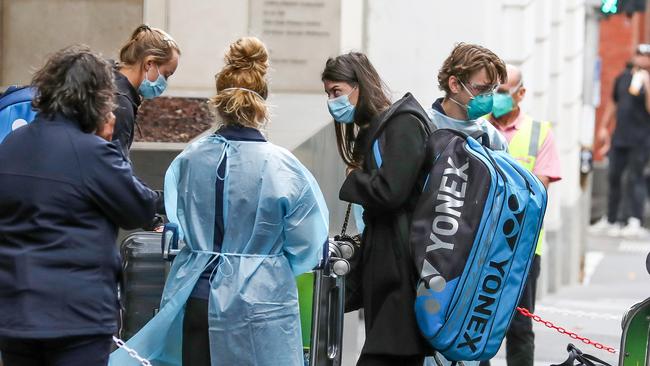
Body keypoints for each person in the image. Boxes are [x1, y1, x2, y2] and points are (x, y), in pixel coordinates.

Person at [109, 37, 329, 366]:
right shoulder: (283, 167)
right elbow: (308, 244)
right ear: (263, 104)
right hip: (259, 304)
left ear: (219, 102)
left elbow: (176, 222)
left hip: (195, 295)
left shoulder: (189, 159)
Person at [0, 45, 160, 366]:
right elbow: (139, 209)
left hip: (14, 312)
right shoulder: (93, 152)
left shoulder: (11, 145)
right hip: (76, 316)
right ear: (96, 99)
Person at [322, 52, 434, 366]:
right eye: (328, 94)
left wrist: (353, 179)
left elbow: (391, 191)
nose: (332, 102)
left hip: (402, 268)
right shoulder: (378, 129)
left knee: (387, 355)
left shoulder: (402, 123)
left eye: (337, 92)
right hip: (387, 264)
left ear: (360, 85)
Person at [480, 64, 562, 366]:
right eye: (491, 91)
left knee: (519, 326)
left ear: (521, 93)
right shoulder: (477, 126)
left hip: (522, 250)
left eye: (502, 91)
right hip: (479, 245)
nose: (495, 98)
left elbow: (538, 194)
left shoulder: (540, 133)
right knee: (474, 322)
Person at [592, 45, 650, 237]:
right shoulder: (623, 77)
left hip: (640, 139)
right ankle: (612, 219)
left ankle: (635, 219)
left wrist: (647, 83)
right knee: (614, 177)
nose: (641, 59)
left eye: (646, 56)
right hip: (620, 137)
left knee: (635, 178)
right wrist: (603, 127)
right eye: (639, 55)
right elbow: (613, 103)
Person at [112, 24, 180, 157]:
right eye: (166, 75)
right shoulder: (119, 104)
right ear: (149, 63)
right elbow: (114, 166)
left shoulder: (107, 79)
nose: (164, 83)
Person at [427, 43, 508, 151]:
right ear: (454, 84)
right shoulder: (424, 126)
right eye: (481, 88)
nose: (488, 96)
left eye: (492, 89)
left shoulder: (493, 139)